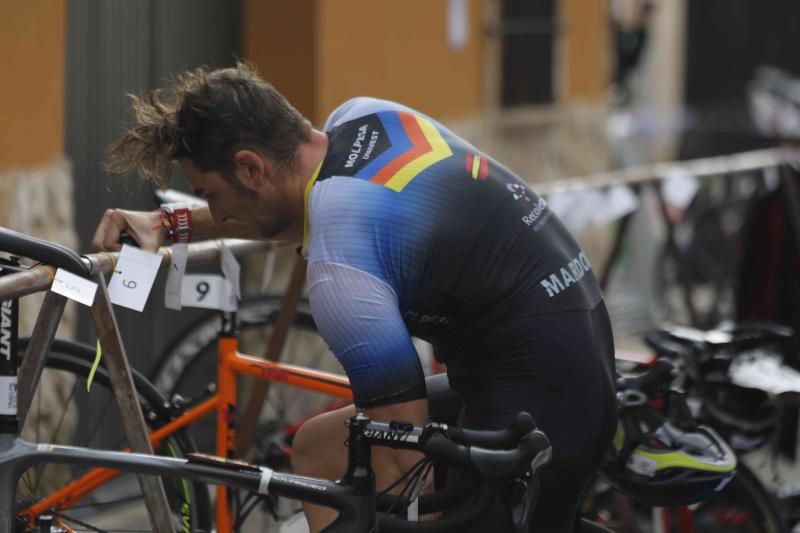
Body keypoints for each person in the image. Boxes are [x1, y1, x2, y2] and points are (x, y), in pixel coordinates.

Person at [93, 63, 617, 532]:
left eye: (210, 195)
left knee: (396, 482)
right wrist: (171, 221)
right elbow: (293, 211)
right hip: (574, 338)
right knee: (320, 448)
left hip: (544, 403)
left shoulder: (337, 267)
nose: (218, 211)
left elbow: (404, 470)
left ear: (251, 168)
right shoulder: (364, 118)